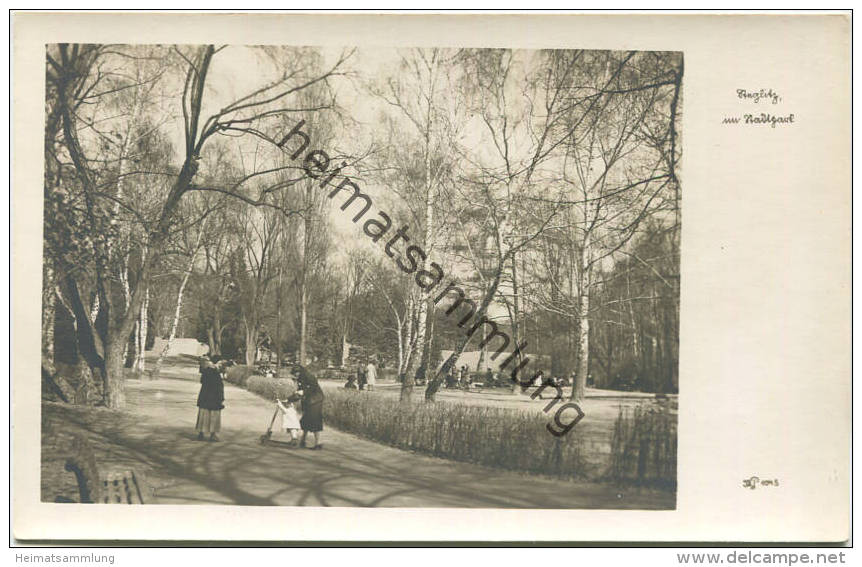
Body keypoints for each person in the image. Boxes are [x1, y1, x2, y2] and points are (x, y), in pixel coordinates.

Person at [293, 365, 325, 450]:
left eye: (296, 373)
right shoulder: (300, 378)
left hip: (315, 400)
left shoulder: (309, 376)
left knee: (315, 420)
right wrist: (289, 399)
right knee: (305, 420)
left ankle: (317, 443)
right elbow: (299, 393)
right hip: (308, 401)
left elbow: (313, 388)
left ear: (300, 372)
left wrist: (303, 391)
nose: (295, 375)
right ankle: (303, 440)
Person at [195, 356, 224, 442]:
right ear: (216, 364)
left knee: (204, 414)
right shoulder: (214, 372)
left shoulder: (207, 371)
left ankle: (201, 433)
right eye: (220, 363)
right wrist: (221, 397)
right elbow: (218, 386)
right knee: (213, 415)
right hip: (214, 397)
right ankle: (213, 434)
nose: (221, 365)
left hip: (205, 397)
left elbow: (202, 381)